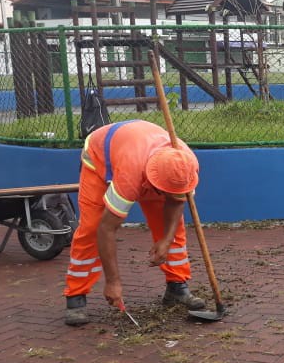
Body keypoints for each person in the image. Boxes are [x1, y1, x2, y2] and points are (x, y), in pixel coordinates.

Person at [63, 119, 205, 326]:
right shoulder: (129, 178)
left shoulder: (186, 165)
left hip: (144, 153)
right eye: (166, 192)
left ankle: (177, 287)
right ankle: (76, 296)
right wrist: (113, 282)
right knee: (92, 228)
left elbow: (176, 202)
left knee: (174, 229)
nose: (171, 196)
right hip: (100, 157)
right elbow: (107, 228)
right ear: (156, 185)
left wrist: (165, 241)